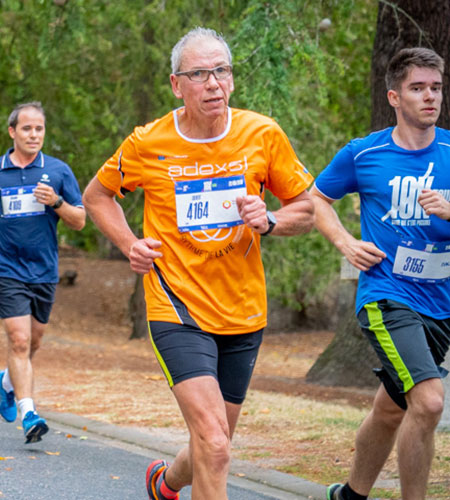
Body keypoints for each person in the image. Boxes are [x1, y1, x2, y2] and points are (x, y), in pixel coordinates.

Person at [80, 27, 316, 500]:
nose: (213, 83)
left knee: (214, 443)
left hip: (243, 310)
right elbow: (97, 196)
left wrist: (269, 219)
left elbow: (307, 210)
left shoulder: (262, 134)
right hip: (177, 307)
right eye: (200, 74)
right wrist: (130, 244)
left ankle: (165, 483)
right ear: (176, 84)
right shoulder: (149, 142)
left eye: (222, 71)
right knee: (215, 443)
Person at [314, 47, 450, 500]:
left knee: (393, 409)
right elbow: (316, 200)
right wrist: (345, 242)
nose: (429, 97)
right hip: (387, 295)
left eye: (435, 87)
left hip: (440, 304)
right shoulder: (364, 153)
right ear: (394, 96)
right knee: (429, 402)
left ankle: (351, 495)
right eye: (417, 88)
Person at [0, 101, 87, 444]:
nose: (34, 135)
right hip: (7, 267)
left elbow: (79, 221)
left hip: (44, 270)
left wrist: (57, 203)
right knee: (18, 340)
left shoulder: (58, 171)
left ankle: (5, 382)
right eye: (27, 128)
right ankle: (29, 412)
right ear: (12, 132)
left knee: (33, 341)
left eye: (39, 129)